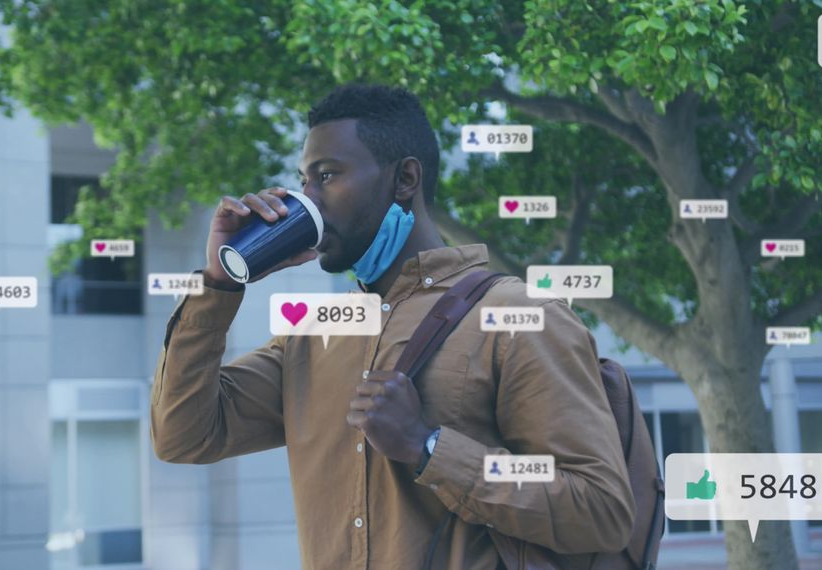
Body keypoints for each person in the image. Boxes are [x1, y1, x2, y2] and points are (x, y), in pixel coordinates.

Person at [151, 84, 634, 569]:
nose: (308, 200)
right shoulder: (317, 334)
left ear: (405, 178)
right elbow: (183, 435)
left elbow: (601, 510)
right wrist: (217, 284)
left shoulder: (521, 317)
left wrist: (427, 446)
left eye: (327, 176)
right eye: (304, 181)